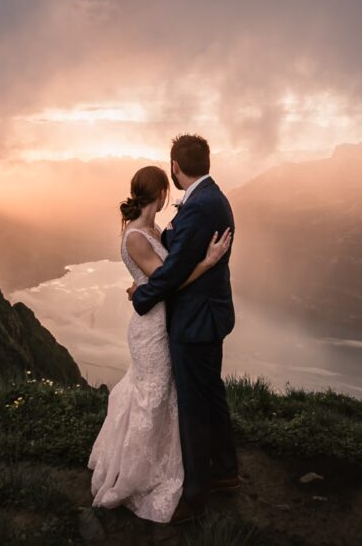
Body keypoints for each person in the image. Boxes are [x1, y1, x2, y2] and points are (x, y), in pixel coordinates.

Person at [88, 163, 232, 524]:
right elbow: (172, 280)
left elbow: (163, 277)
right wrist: (208, 261)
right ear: (163, 194)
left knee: (160, 394)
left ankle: (166, 462)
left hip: (163, 322)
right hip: (150, 329)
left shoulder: (154, 229)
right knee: (152, 395)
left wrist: (144, 287)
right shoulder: (137, 236)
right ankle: (140, 472)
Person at [128, 134, 240, 522]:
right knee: (210, 394)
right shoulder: (210, 199)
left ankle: (194, 495)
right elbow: (180, 243)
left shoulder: (199, 206)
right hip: (208, 314)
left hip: (195, 320)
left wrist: (142, 297)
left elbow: (174, 269)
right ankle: (225, 470)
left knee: (193, 403)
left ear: (175, 167)